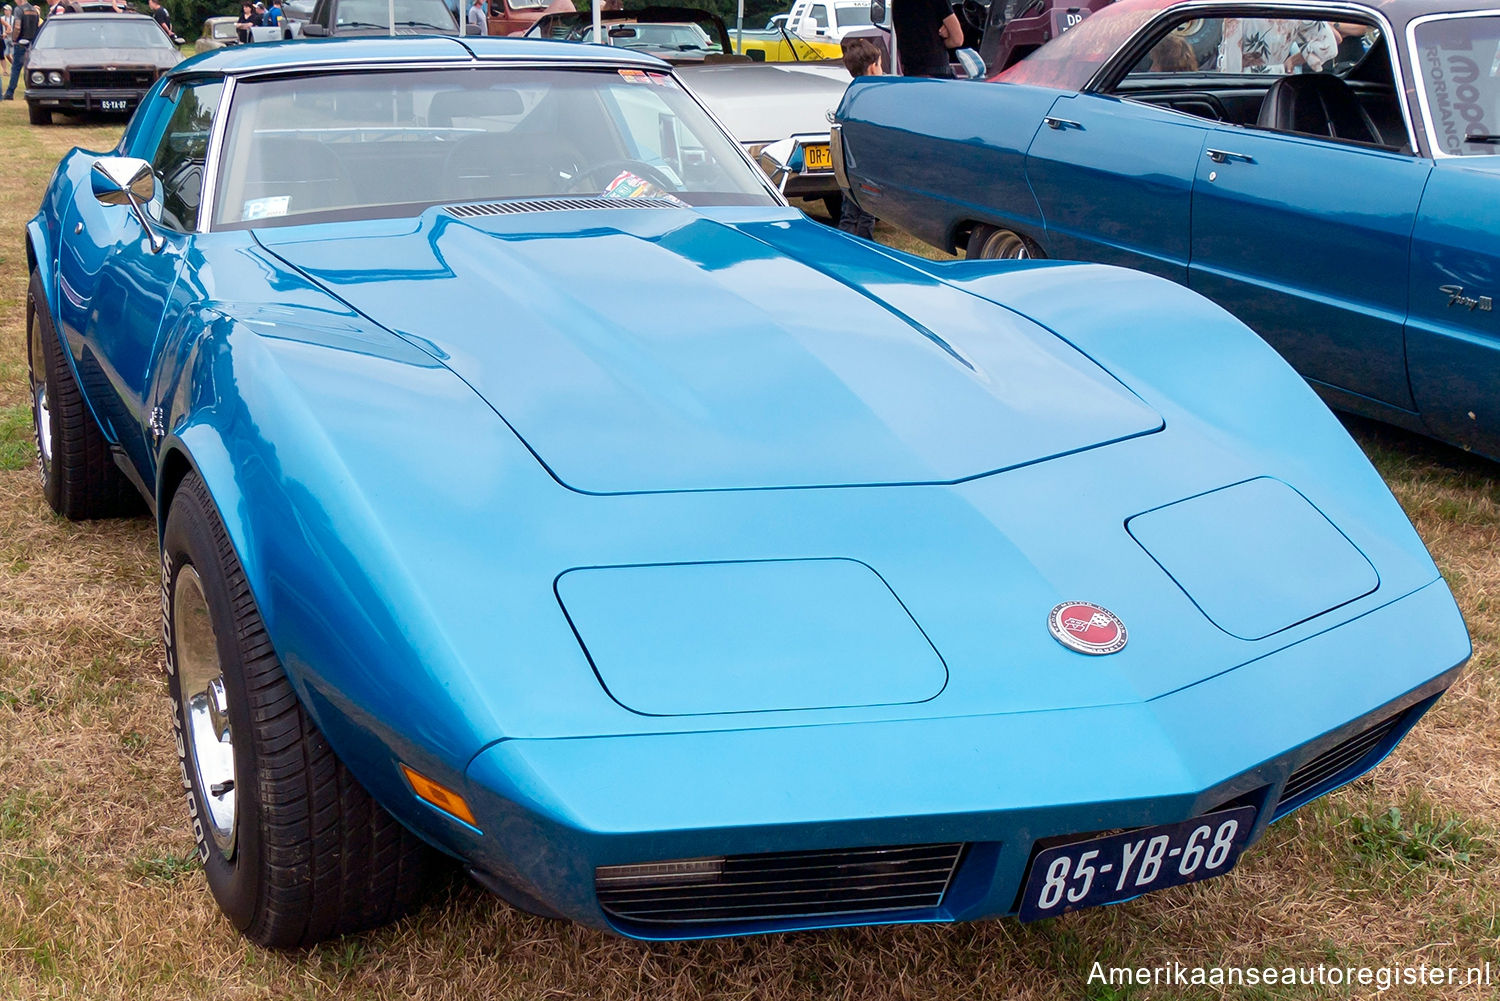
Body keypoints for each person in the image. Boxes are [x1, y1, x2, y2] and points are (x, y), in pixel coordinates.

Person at [837, 35, 882, 239]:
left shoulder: (852, 92)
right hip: (868, 166)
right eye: (880, 65)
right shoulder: (873, 94)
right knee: (867, 211)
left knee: (850, 210)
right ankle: (864, 243)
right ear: (873, 67)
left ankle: (846, 241)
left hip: (851, 165)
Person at [1216, 18, 1336, 74]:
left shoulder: (1238, 10)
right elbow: (1327, 47)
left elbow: (1229, 69)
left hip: (1241, 88)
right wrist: (1290, 62)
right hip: (1280, 86)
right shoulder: (1296, 5)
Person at [892, 0, 960, 77]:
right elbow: (957, 40)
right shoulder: (939, 2)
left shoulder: (897, 3)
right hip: (936, 69)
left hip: (911, 70)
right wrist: (939, 42)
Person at [3, 0, 40, 101]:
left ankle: (10, 93)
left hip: (21, 43)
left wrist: (14, 39)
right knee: (29, 69)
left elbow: (17, 27)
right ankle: (31, 92)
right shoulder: (34, 10)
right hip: (32, 43)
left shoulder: (19, 10)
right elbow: (37, 27)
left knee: (15, 69)